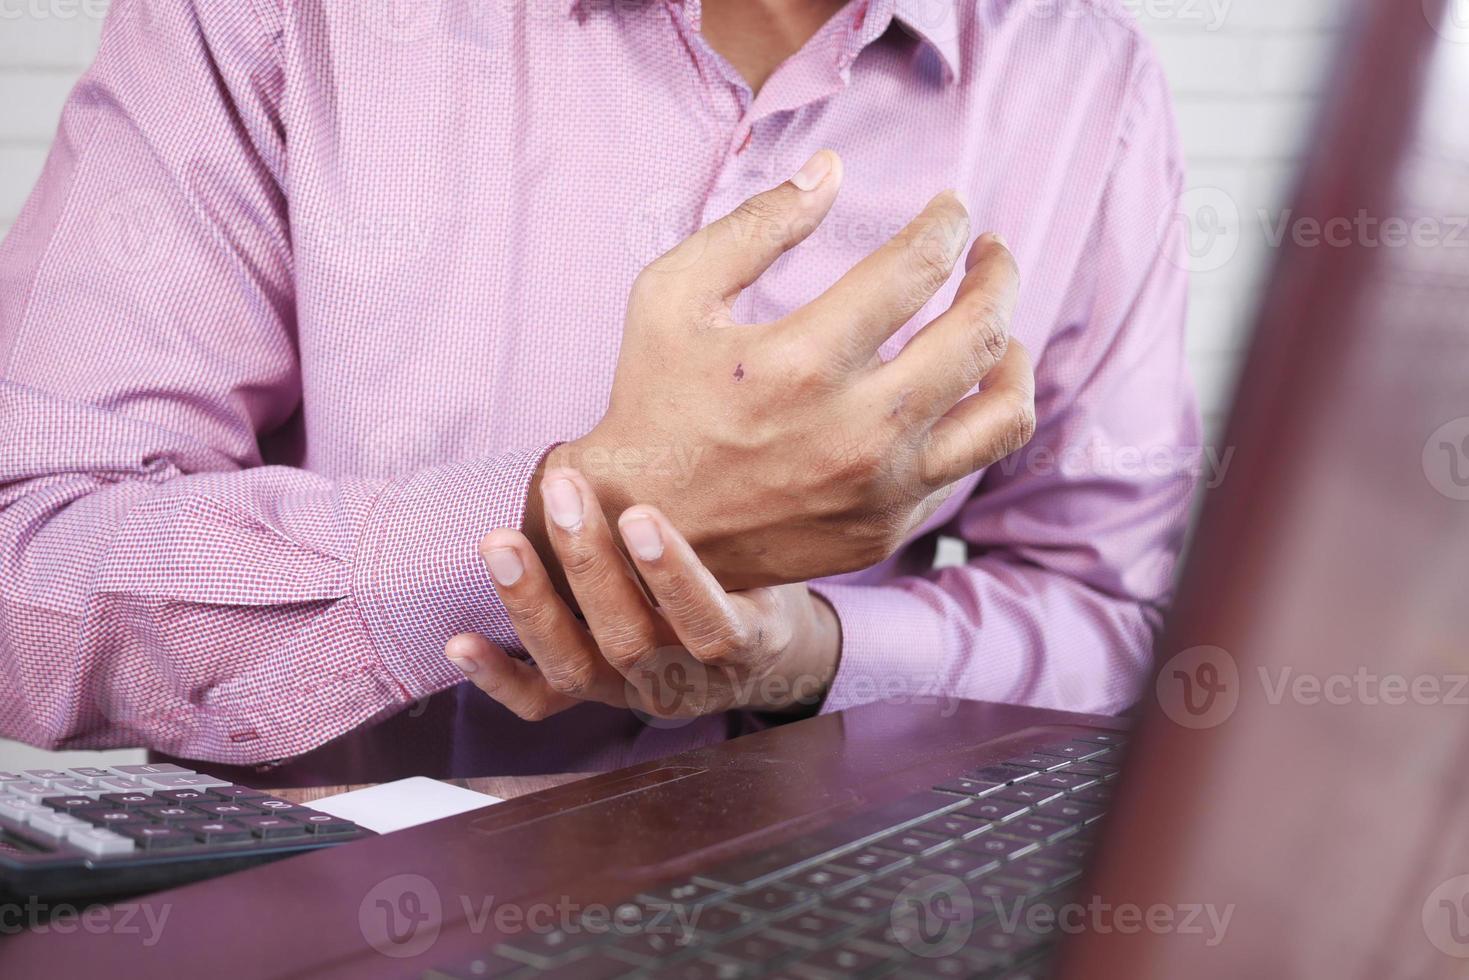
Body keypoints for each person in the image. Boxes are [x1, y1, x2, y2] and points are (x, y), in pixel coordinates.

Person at [0, 0, 1199, 784]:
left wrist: (813, 651)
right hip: (322, 917)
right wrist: (571, 516)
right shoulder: (278, 20)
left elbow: (1114, 623)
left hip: (831, 910)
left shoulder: (1088, 79)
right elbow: (26, 570)